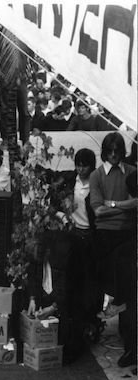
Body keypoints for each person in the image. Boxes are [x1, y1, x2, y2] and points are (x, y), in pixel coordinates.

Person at [89, 132, 137, 367]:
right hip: (104, 236)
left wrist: (113, 204)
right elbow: (97, 210)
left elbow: (135, 203)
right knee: (101, 285)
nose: (115, 155)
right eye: (111, 151)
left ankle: (129, 343)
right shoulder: (97, 175)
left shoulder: (130, 172)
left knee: (125, 293)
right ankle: (95, 329)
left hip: (126, 235)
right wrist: (122, 208)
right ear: (106, 151)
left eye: (118, 151)